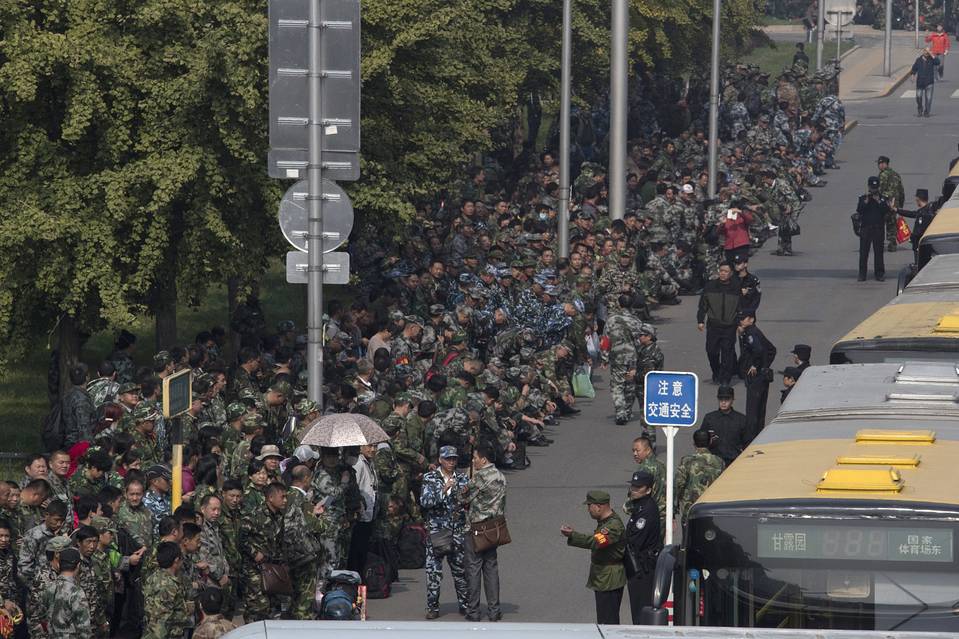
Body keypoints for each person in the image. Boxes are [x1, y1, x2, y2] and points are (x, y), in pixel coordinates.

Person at [560, 491, 626, 625]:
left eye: (589, 506)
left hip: (609, 579)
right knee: (604, 619)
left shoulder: (612, 526)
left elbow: (596, 542)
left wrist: (573, 535)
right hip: (604, 577)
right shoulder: (605, 522)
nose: (588, 510)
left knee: (608, 621)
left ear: (599, 507)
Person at [420, 446, 470, 619]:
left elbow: (468, 502)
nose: (451, 462)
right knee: (433, 572)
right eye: (448, 459)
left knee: (461, 571)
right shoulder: (430, 478)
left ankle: (465, 604)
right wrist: (443, 490)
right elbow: (425, 502)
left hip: (458, 531)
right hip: (437, 532)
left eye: (454, 459)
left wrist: (465, 495)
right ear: (440, 460)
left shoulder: (463, 478)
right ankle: (432, 607)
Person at [462, 443, 507, 622]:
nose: (474, 461)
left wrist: (468, 479)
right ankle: (494, 610)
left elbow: (462, 497)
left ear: (484, 459)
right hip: (494, 527)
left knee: (473, 569)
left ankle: (473, 611)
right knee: (491, 568)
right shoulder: (501, 476)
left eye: (475, 458)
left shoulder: (480, 477)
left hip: (476, 528)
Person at [623, 471, 661, 625]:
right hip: (638, 566)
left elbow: (635, 541)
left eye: (639, 487)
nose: (634, 489)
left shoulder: (646, 510)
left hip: (642, 568)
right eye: (633, 486)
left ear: (648, 490)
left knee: (641, 612)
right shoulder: (639, 507)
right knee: (637, 609)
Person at [697, 263, 740, 385]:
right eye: (721, 270)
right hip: (713, 326)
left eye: (726, 271)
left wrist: (740, 323)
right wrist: (700, 321)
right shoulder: (710, 286)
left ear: (731, 273)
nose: (723, 273)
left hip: (729, 327)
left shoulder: (736, 288)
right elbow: (702, 305)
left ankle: (726, 378)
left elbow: (740, 307)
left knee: (727, 353)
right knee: (711, 351)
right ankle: (716, 372)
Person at [737, 310, 776, 443]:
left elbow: (758, 350)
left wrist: (755, 365)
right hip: (761, 376)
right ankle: (759, 435)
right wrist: (765, 366)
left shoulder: (751, 333)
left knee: (752, 409)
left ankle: (751, 439)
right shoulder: (753, 332)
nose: (741, 321)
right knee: (760, 408)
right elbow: (771, 349)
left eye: (744, 318)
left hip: (755, 377)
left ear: (751, 319)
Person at [674, 430, 724, 526]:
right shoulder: (719, 462)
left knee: (689, 537)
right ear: (710, 442)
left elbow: (678, 484)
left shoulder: (686, 461)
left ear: (694, 443)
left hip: (690, 509)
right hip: (711, 509)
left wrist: (674, 507)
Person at [142, 541, 189, 639]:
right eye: (182, 559)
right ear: (176, 560)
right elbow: (160, 622)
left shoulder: (155, 576)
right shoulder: (168, 586)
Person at [42, 546, 92, 638]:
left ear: (59, 565)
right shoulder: (76, 592)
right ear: (78, 565)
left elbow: (42, 617)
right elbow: (84, 628)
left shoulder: (50, 587)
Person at [697, 386, 749, 467]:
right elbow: (701, 440)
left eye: (727, 399)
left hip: (734, 461)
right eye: (721, 399)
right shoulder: (709, 418)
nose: (723, 402)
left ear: (732, 400)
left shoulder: (741, 419)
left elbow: (747, 442)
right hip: (713, 462)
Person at [856, 176, 892, 281]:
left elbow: (886, 210)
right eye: (872, 188)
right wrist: (866, 201)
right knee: (863, 252)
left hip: (878, 228)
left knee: (879, 252)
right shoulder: (863, 198)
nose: (873, 190)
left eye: (875, 188)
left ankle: (879, 273)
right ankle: (862, 274)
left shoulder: (882, 198)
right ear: (868, 187)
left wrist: (879, 201)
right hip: (866, 228)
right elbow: (859, 210)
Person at [896, 188, 937, 264]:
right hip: (926, 245)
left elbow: (919, 232)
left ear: (918, 199)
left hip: (920, 245)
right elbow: (912, 214)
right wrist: (897, 210)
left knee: (919, 265)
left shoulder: (923, 214)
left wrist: (912, 237)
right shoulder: (927, 210)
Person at [877, 156, 905, 251]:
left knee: (880, 223)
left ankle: (879, 243)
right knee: (892, 224)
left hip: (885, 203)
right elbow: (901, 190)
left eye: (880, 163)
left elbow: (880, 189)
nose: (878, 166)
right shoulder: (896, 174)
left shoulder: (883, 175)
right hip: (895, 203)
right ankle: (892, 243)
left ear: (884, 164)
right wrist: (900, 204)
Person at [910, 48, 940, 117]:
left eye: (928, 51)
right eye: (925, 51)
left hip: (929, 82)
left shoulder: (932, 59)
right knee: (918, 97)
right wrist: (912, 76)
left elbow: (938, 62)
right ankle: (920, 109)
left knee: (928, 99)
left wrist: (932, 54)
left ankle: (926, 112)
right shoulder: (918, 60)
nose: (927, 52)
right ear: (923, 51)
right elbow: (914, 68)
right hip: (920, 82)